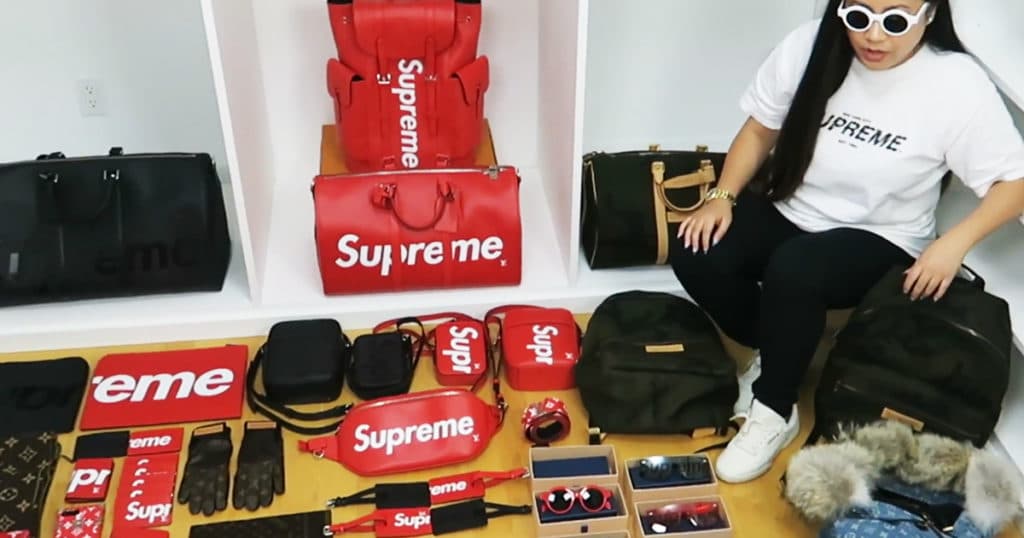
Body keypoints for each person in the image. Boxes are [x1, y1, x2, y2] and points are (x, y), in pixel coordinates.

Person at [670, 0, 1024, 484]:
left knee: (797, 268)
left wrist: (953, 245)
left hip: (883, 235)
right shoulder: (809, 45)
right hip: (791, 208)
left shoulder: (957, 83)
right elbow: (758, 131)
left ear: (929, 14)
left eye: (895, 20)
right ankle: (777, 347)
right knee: (697, 248)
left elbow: (1015, 183)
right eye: (859, 16)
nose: (874, 36)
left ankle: (774, 408)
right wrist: (721, 196)